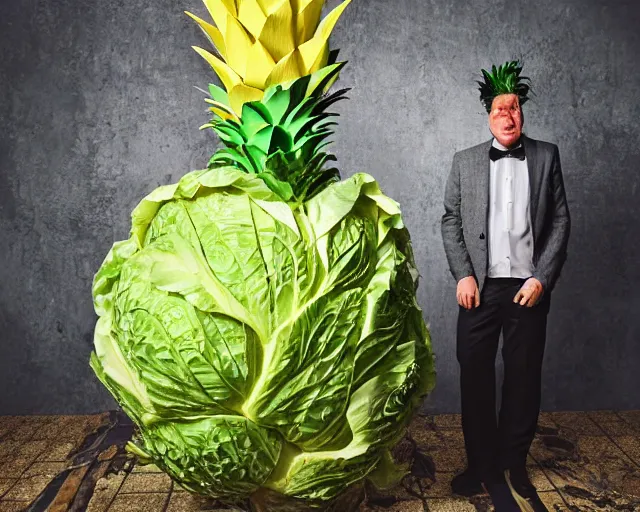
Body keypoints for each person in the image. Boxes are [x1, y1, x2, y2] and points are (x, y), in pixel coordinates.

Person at [441, 61, 570, 512]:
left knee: (522, 377)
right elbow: (451, 221)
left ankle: (513, 462)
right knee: (475, 375)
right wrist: (463, 273)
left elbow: (559, 223)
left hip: (528, 287)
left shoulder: (547, 155)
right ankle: (481, 466)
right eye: (500, 108)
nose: (508, 116)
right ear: (488, 115)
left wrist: (542, 277)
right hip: (480, 287)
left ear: (523, 112)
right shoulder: (464, 161)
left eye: (514, 107)